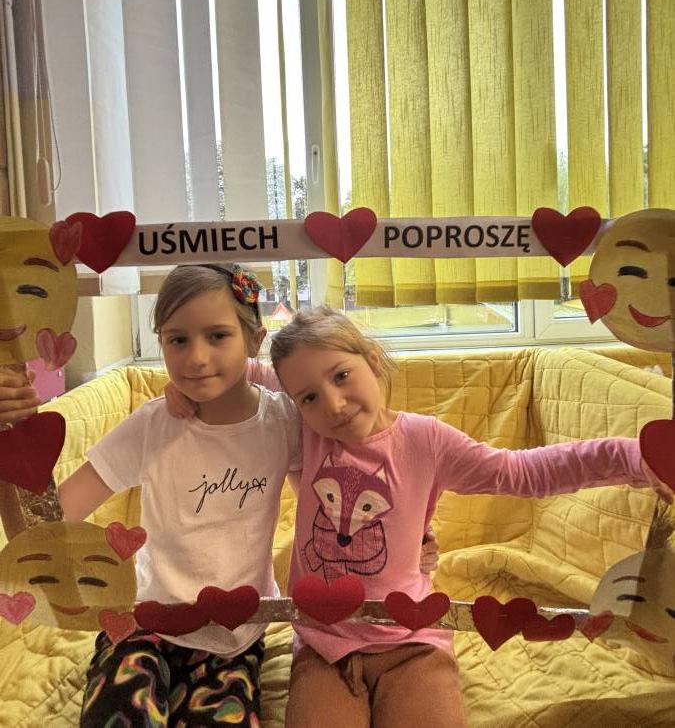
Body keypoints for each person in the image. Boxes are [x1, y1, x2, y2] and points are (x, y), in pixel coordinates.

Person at [0, 267, 436, 727]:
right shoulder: (152, 426)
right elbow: (39, 533)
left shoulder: (285, 423)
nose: (196, 358)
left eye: (217, 336)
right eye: (178, 340)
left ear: (254, 340)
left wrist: (411, 540)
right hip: (142, 624)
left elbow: (332, 511)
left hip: (234, 636)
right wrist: (11, 437)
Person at [258, 306, 669, 728]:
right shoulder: (302, 435)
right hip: (324, 645)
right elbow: (241, 373)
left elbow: (521, 472)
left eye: (342, 375)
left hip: (411, 640)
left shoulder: (426, 440)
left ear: (373, 360)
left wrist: (632, 457)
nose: (334, 404)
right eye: (309, 398)